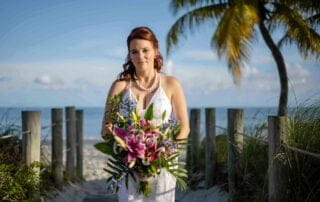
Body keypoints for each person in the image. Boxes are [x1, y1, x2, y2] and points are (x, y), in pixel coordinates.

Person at [101, 26, 190, 202]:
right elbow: (106, 128)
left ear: (155, 51)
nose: (140, 56)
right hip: (129, 166)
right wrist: (124, 147)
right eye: (134, 51)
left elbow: (184, 127)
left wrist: (161, 155)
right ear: (129, 55)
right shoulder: (119, 87)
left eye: (145, 50)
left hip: (163, 166)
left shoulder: (172, 84)